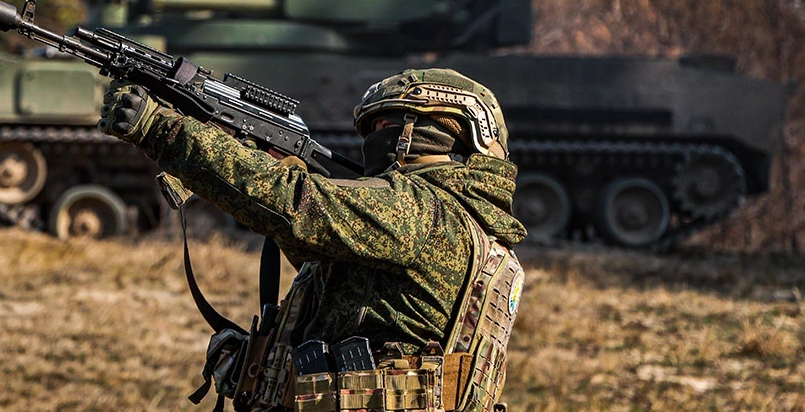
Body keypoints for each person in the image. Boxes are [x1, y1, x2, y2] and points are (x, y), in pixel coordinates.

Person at [98, 68, 526, 412]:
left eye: (389, 125)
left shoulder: (428, 215)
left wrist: (164, 130)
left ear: (445, 132)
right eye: (371, 127)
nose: (375, 138)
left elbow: (295, 202)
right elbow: (306, 234)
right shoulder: (445, 221)